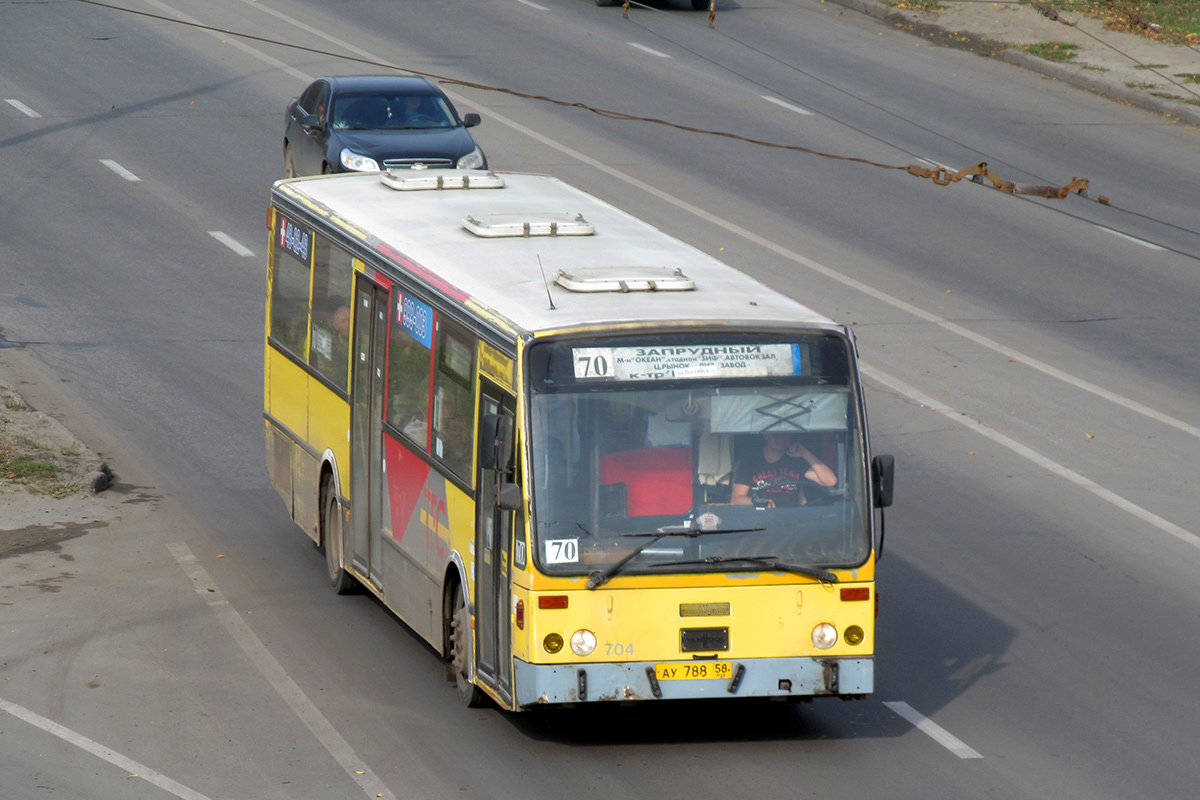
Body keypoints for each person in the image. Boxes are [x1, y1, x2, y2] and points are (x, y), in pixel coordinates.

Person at [731, 431, 837, 508]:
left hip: (792, 519)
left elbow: (830, 481)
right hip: (762, 518)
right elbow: (737, 498)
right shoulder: (749, 462)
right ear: (766, 436)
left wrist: (806, 454)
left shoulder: (796, 461)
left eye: (785, 434)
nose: (782, 438)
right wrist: (760, 502)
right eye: (776, 435)